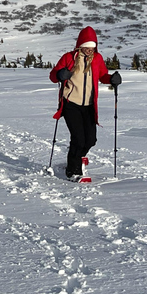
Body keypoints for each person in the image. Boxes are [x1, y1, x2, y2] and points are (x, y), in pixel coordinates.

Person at [49, 26, 121, 181]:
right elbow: (53, 76)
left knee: (90, 140)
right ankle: (73, 171)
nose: (90, 50)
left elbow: (102, 75)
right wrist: (60, 74)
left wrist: (111, 79)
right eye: (87, 46)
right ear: (80, 45)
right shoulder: (69, 58)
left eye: (92, 47)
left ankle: (78, 156)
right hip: (71, 104)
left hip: (89, 105)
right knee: (78, 138)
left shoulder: (97, 58)